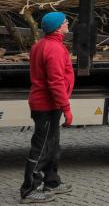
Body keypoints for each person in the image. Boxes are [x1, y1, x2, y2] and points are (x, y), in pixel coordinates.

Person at [20, 12, 74, 204]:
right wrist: (66, 108)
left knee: (52, 145)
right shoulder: (54, 49)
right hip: (47, 105)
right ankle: (29, 190)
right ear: (58, 27)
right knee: (41, 148)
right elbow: (56, 82)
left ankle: (51, 182)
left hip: (46, 104)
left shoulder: (42, 45)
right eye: (65, 21)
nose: (68, 23)